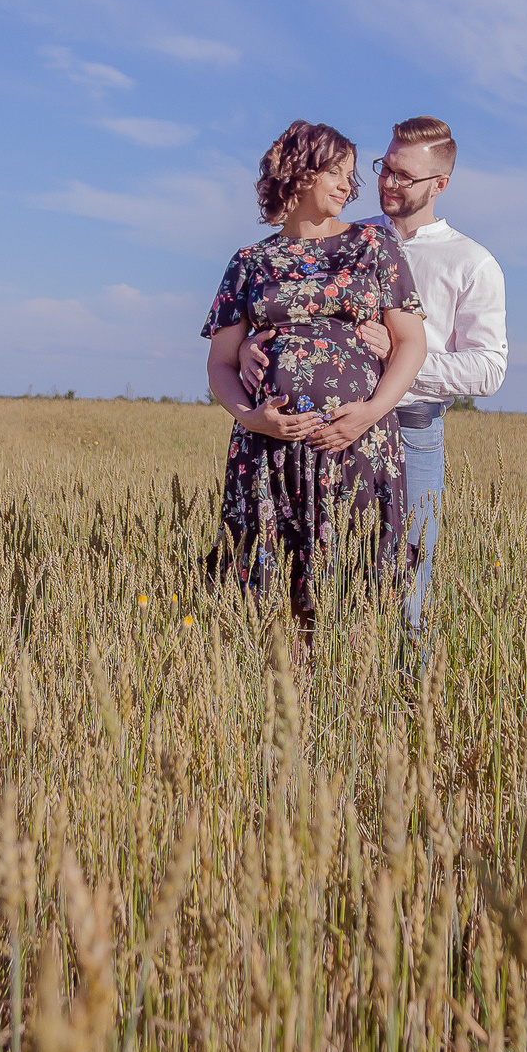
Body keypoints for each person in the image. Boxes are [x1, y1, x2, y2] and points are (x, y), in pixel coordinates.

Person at [242, 115, 507, 665]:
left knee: (400, 586)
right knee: (317, 575)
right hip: (317, 438)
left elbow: (488, 370)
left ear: (440, 185)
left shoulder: (471, 262)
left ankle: (403, 707)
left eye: (403, 176)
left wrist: (400, 363)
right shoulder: (351, 237)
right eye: (384, 168)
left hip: (408, 431)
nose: (386, 182)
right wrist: (252, 349)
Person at [203, 120, 427, 657]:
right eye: (337, 173)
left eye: (353, 177)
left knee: (356, 587)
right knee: (273, 604)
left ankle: (356, 704)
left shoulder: (374, 246)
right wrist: (253, 418)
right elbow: (218, 365)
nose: (350, 188)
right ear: (299, 173)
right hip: (268, 451)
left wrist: (370, 412)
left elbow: (411, 344)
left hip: (356, 444)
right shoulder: (250, 262)